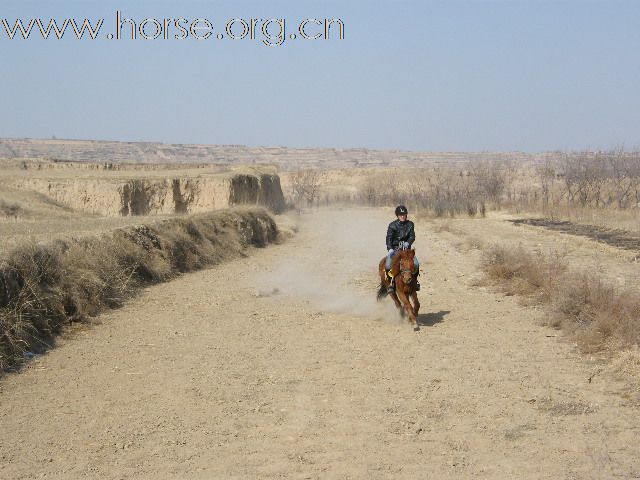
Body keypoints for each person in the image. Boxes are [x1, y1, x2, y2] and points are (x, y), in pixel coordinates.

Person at [385, 205, 420, 293]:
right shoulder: (392, 225)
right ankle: (391, 284)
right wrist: (390, 249)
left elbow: (412, 236)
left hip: (407, 251)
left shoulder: (410, 224)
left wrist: (408, 242)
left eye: (404, 214)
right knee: (388, 265)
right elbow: (388, 238)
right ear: (397, 215)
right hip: (395, 250)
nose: (402, 216)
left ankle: (415, 282)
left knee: (416, 263)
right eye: (400, 215)